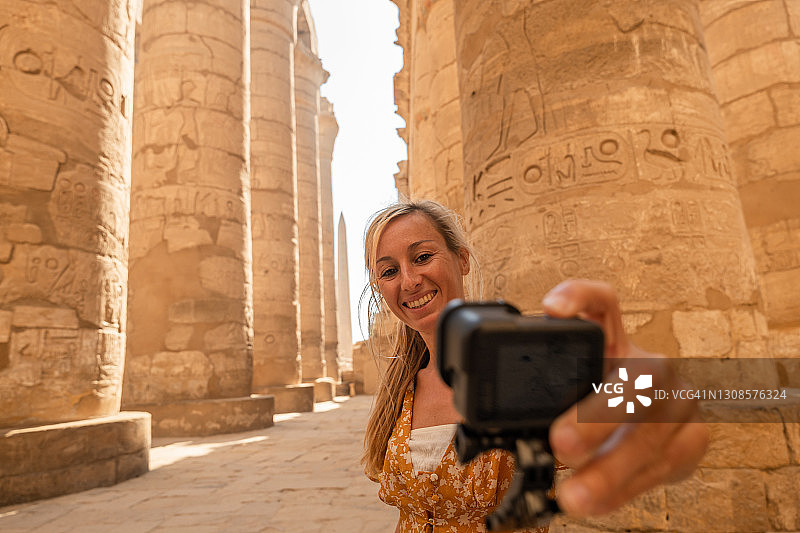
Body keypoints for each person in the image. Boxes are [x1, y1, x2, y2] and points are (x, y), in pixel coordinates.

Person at [361, 199, 708, 532]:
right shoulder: (400, 391)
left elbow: (628, 420)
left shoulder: (528, 371)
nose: (409, 281)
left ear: (462, 259)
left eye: (422, 257)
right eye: (390, 271)